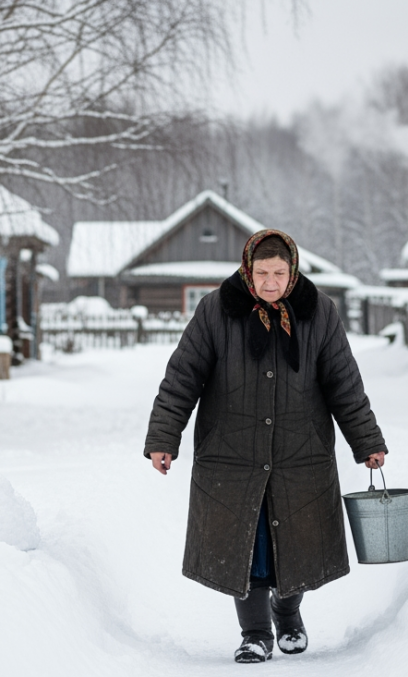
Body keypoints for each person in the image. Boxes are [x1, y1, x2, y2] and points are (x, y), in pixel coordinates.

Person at [144, 229, 387, 663]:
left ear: (292, 271)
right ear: (247, 270)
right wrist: (164, 436)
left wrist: (366, 439)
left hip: (301, 454)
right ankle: (255, 633)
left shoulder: (319, 313)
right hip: (232, 455)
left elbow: (343, 383)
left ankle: (287, 612)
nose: (270, 283)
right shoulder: (217, 310)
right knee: (247, 548)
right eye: (262, 273)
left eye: (278, 273)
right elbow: (183, 376)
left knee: (301, 544)